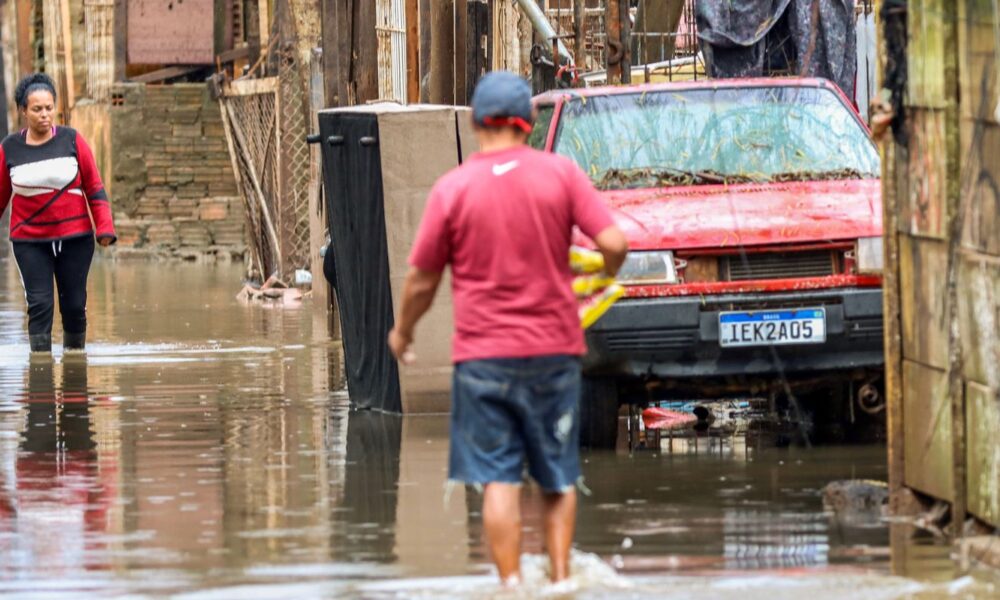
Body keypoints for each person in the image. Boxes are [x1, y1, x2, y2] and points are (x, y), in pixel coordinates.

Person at [387, 71, 628, 585]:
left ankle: (511, 587)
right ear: (529, 122)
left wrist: (402, 333)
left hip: (482, 360)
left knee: (498, 480)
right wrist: (601, 277)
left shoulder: (453, 188)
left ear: (476, 123)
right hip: (554, 355)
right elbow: (614, 244)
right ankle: (562, 583)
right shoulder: (560, 174)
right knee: (557, 478)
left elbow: (421, 280)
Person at [0, 73, 116, 353]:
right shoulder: (9, 149)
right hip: (29, 241)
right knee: (39, 304)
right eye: (37, 109)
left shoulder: (73, 141)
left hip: (75, 238)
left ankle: (75, 367)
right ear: (24, 111)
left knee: (74, 304)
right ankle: (41, 375)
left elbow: (94, 186)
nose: (44, 115)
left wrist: (105, 229)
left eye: (49, 108)